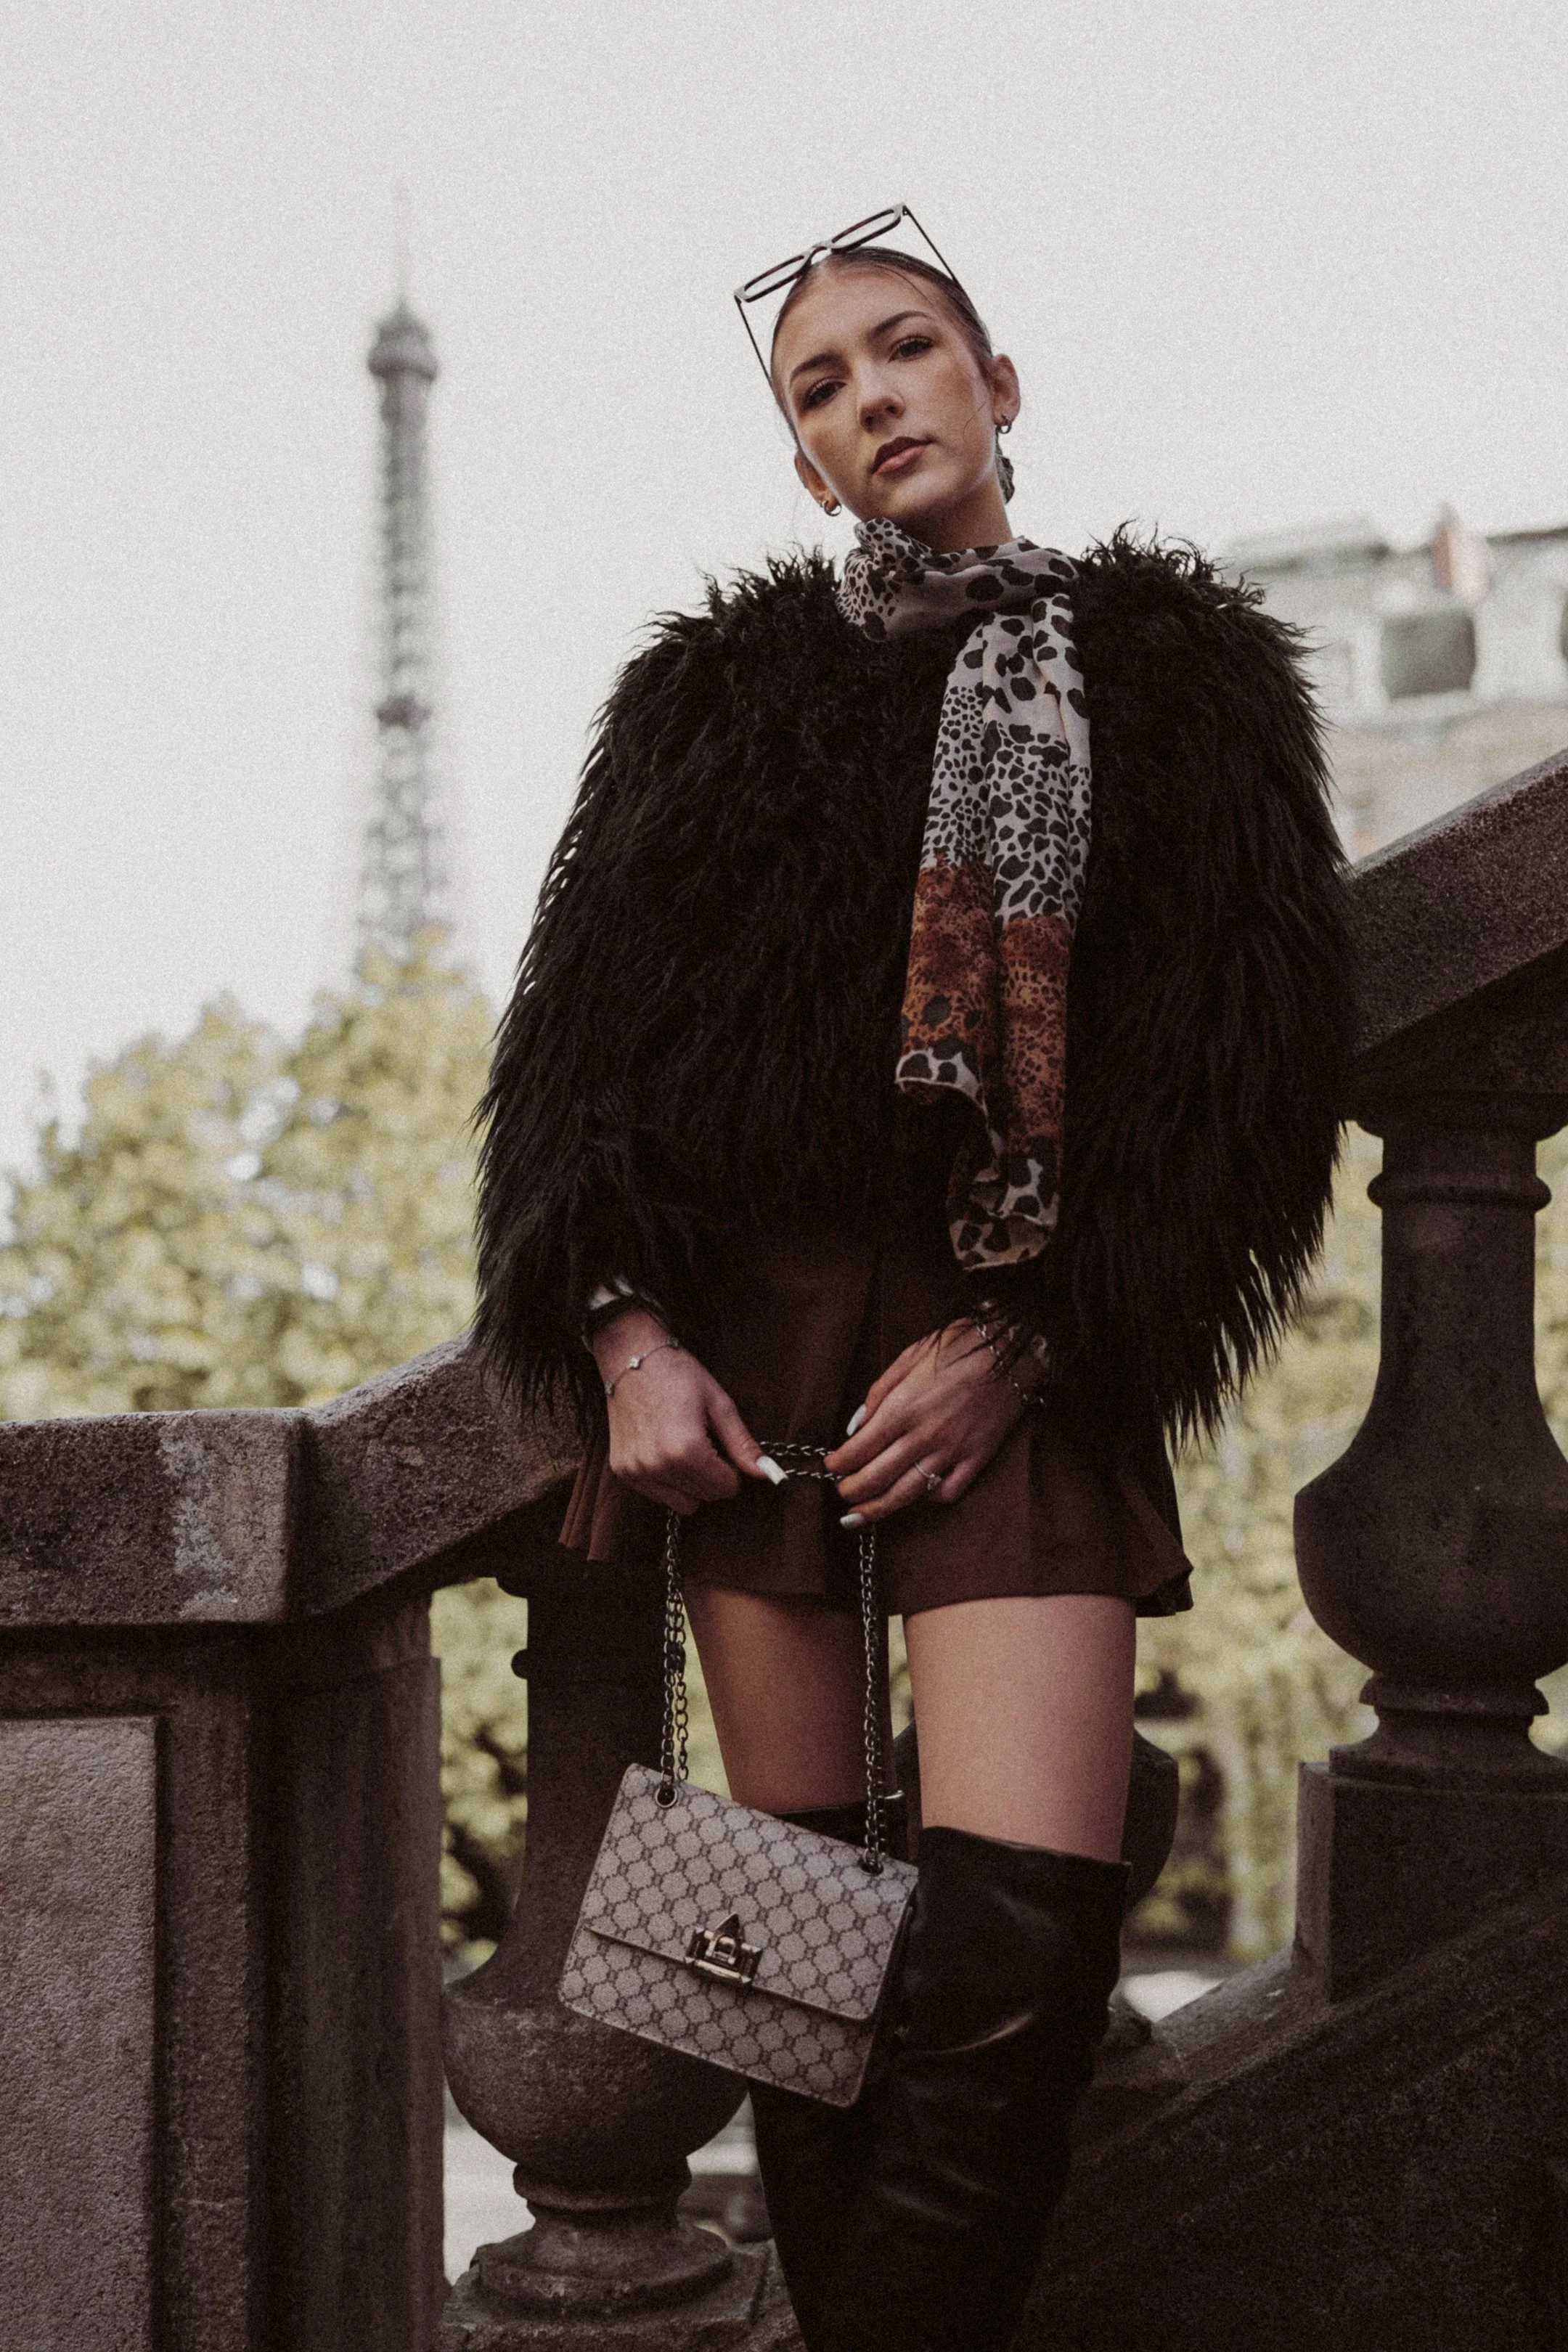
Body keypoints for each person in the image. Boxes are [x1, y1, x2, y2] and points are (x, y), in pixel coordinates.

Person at [474, 213, 1349, 2352]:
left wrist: (1037, 1340)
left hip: (1021, 1340)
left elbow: (1244, 1079)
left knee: (1009, 1952)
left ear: (997, 384)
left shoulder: (1184, 688)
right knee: (801, 1981)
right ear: (803, 465)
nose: (876, 397)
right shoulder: (709, 710)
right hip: (750, 1344)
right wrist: (622, 1331)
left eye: (908, 349)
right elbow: (584, 1057)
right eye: (823, 386)